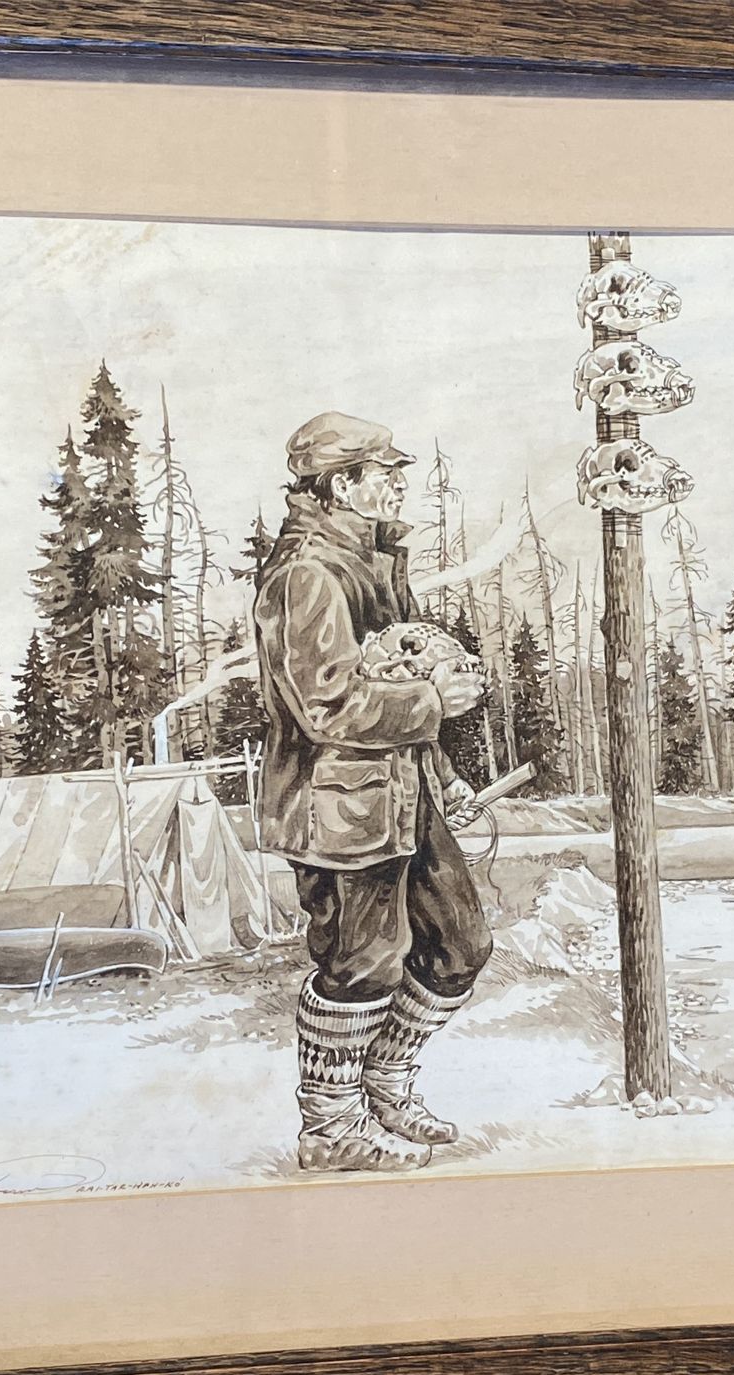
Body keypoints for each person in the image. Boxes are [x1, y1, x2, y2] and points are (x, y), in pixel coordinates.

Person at [253, 410, 495, 1173]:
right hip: (338, 807)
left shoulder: (374, 564)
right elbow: (326, 706)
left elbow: (395, 678)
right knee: (364, 963)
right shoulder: (307, 574)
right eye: (385, 472)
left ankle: (384, 1083)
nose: (397, 483)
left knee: (461, 945)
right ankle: (329, 1127)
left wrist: (444, 774)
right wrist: (435, 704)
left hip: (405, 795)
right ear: (341, 484)